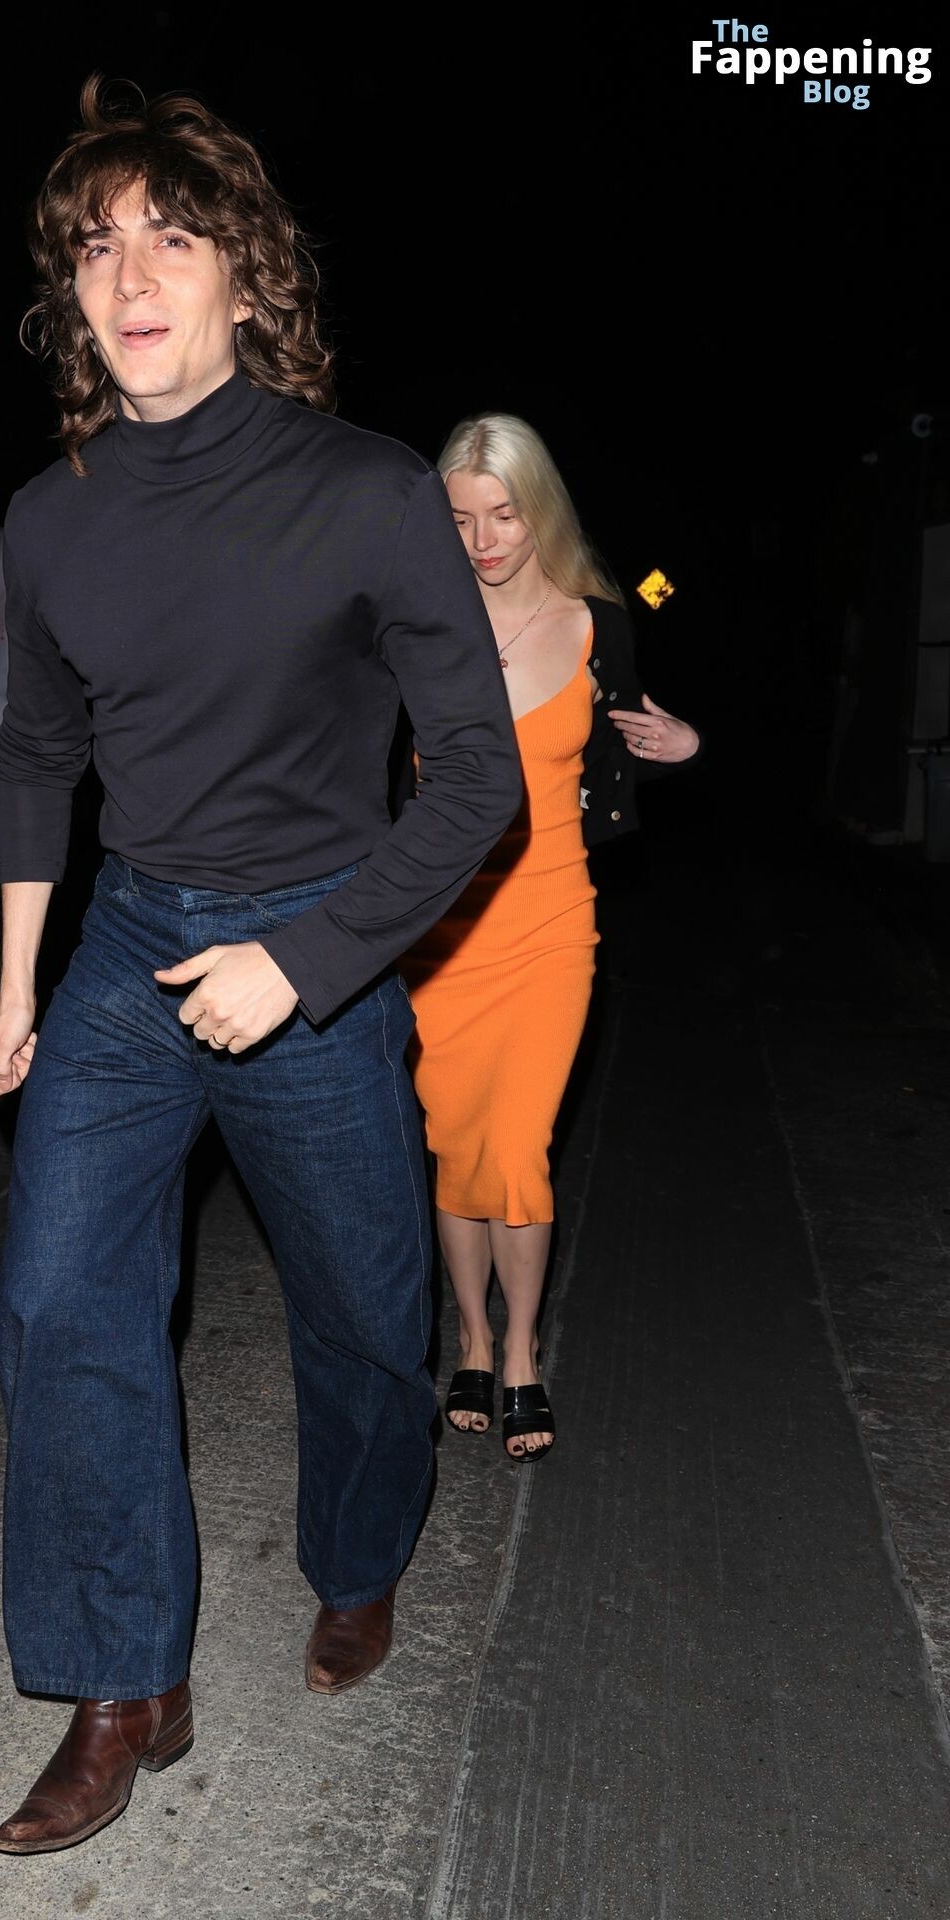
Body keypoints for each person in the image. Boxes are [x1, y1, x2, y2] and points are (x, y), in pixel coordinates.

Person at [0, 81, 522, 1855]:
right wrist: (18, 985)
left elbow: (481, 780)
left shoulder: (366, 492)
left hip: (320, 935)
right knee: (62, 1303)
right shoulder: (49, 517)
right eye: (95, 246)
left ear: (246, 274)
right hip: (132, 944)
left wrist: (303, 963)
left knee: (364, 1309)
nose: (130, 275)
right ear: (71, 294)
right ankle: (122, 1682)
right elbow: (39, 755)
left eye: (171, 236)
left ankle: (359, 1558)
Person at [400, 413, 699, 1460]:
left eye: (504, 516)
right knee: (456, 1144)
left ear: (541, 516)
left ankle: (522, 1350)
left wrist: (685, 745)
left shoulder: (596, 624)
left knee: (518, 1145)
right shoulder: (414, 626)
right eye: (461, 520)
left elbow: (629, 743)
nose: (484, 542)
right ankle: (473, 1343)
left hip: (550, 921)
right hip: (440, 932)